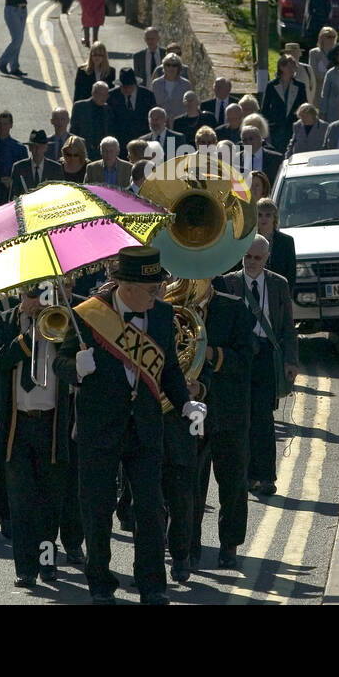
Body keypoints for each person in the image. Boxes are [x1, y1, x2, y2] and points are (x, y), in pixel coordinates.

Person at [53, 247, 206, 604]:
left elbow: (167, 368)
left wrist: (184, 401)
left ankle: (152, 585)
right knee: (97, 508)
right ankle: (101, 583)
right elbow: (60, 361)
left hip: (146, 427)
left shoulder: (163, 313)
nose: (158, 295)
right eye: (151, 289)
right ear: (126, 285)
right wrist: (75, 366)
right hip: (99, 428)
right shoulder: (88, 316)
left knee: (151, 508)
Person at [0, 288, 75, 587]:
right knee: (21, 502)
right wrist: (29, 337)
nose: (37, 302)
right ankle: (26, 568)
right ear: (21, 295)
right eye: (31, 295)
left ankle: (47, 563)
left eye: (43, 294)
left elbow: (76, 365)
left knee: (51, 503)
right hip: (16, 426)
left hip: (52, 425)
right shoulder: (4, 321)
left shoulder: (65, 321)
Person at [218, 236, 297, 497]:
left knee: (263, 417)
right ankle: (244, 476)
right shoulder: (228, 282)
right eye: (248, 257)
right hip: (239, 357)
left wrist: (290, 361)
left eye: (258, 258)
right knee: (241, 418)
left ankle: (265, 477)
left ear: (267, 259)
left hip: (266, 357)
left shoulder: (279, 284)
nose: (252, 262)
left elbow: (287, 327)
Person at [187, 278, 256, 570]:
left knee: (232, 484)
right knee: (188, 485)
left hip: (228, 411)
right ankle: (188, 548)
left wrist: (213, 354)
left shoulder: (233, 307)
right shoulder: (173, 309)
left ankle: (229, 546)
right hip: (191, 413)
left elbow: (247, 358)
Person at [260, 54, 308, 154]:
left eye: (293, 66)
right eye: (289, 66)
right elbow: (265, 109)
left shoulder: (300, 86)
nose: (292, 69)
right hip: (275, 130)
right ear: (281, 67)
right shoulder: (271, 86)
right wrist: (266, 129)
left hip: (293, 129)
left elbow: (304, 108)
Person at [257, 198, 296, 297]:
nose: (263, 219)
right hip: (254, 292)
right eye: (260, 215)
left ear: (274, 217)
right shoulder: (247, 241)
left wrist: (286, 296)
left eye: (268, 215)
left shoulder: (286, 241)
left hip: (278, 293)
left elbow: (291, 273)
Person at [9, 129, 65, 198]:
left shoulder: (55, 169)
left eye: (40, 146)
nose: (37, 150)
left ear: (46, 148)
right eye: (34, 146)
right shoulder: (19, 168)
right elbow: (13, 197)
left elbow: (60, 196)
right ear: (29, 148)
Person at [108, 68, 155, 144]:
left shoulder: (147, 95)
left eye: (129, 86)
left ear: (135, 85)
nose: (126, 89)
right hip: (120, 140)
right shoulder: (112, 96)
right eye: (123, 86)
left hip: (142, 139)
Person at [71, 82, 113, 160]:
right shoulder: (80, 107)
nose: (104, 98)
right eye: (101, 94)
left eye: (106, 95)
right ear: (93, 93)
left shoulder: (108, 110)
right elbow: (74, 130)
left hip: (102, 153)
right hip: (83, 151)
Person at [151, 54, 192, 124]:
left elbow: (190, 105)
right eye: (168, 65)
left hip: (180, 123)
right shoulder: (156, 84)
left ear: (178, 67)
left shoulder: (186, 84)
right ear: (164, 67)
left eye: (174, 65)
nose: (171, 68)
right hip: (160, 123)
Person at [306, 28, 337, 105]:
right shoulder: (314, 53)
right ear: (322, 38)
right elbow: (313, 72)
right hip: (319, 90)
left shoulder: (338, 53)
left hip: (335, 91)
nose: (332, 39)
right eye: (329, 37)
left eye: (334, 37)